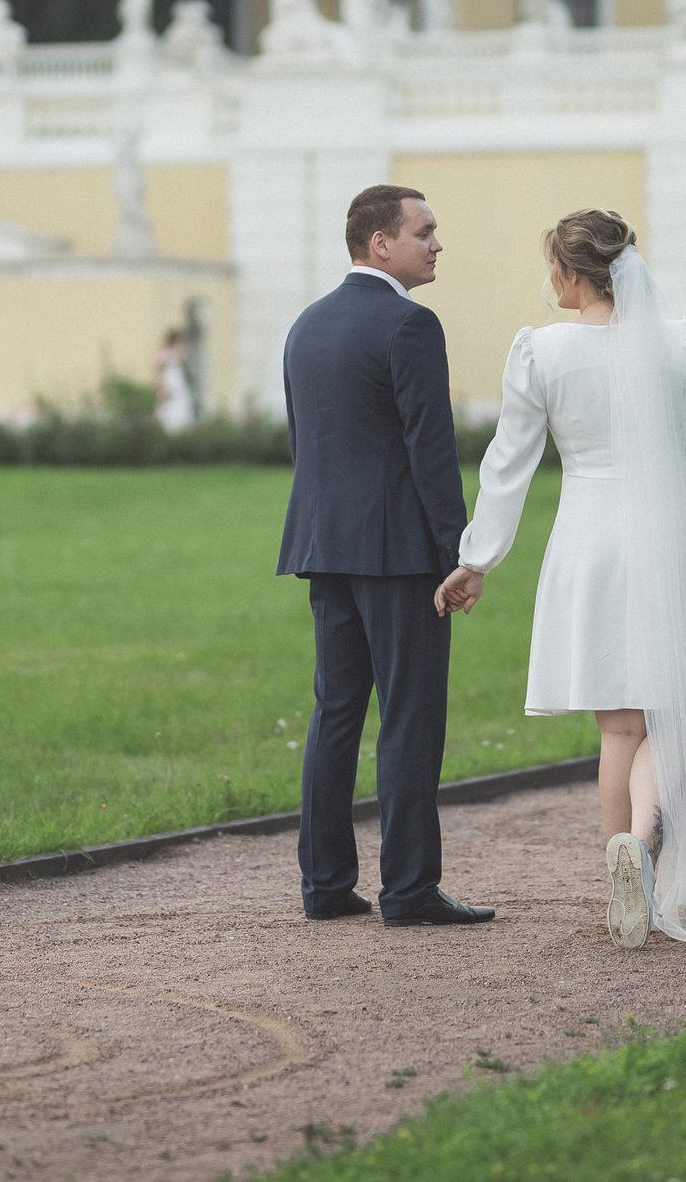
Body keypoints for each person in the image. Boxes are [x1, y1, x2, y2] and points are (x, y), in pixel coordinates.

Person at [438, 210, 686, 949]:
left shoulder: (539, 351)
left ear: (572, 274)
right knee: (674, 707)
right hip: (674, 535)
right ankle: (640, 841)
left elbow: (508, 464)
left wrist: (479, 558)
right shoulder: (680, 341)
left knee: (619, 724)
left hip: (591, 542)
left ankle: (621, 877)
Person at [279, 185, 494, 928]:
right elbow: (431, 452)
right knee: (409, 716)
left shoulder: (305, 326)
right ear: (381, 243)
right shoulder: (409, 324)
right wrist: (457, 554)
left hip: (322, 543)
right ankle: (408, 890)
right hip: (400, 553)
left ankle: (325, 884)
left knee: (335, 712)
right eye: (424, 231)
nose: (436, 244)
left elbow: (304, 445)